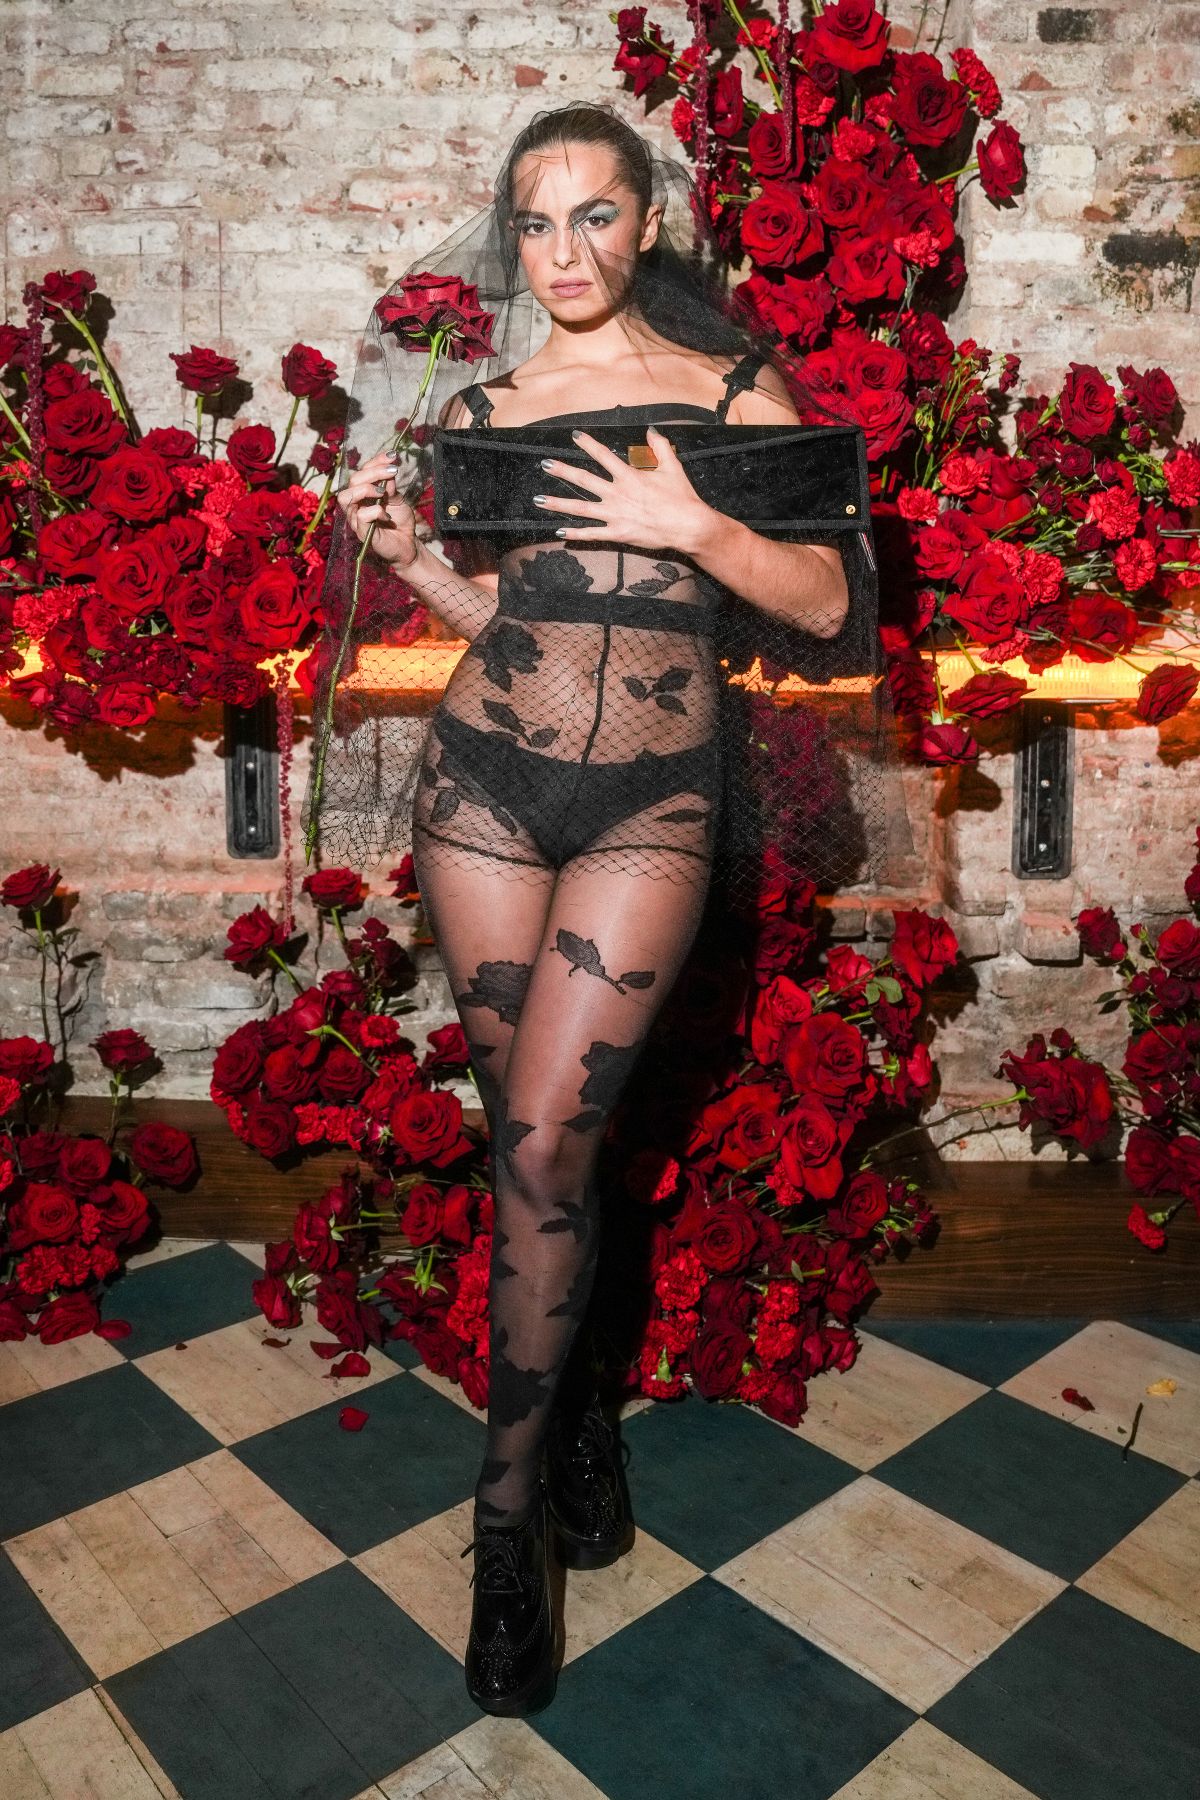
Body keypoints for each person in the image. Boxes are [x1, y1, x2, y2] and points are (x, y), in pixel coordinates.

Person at [306, 101, 911, 1717]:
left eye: (592, 215)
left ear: (648, 222)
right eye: (535, 220)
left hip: (653, 801)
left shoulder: (728, 392)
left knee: (555, 1149)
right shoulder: (491, 408)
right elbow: (512, 617)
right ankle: (557, 1437)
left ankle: (503, 1531)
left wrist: (689, 522)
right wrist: (404, 558)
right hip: (484, 788)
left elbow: (836, 606)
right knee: (527, 1147)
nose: (562, 250)